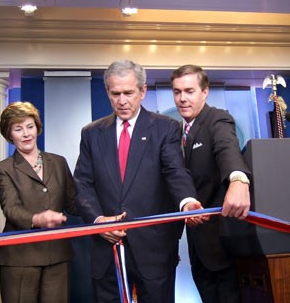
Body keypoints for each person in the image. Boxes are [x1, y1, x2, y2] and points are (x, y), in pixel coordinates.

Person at [74, 60, 205, 303]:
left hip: (154, 250)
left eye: (128, 93)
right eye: (115, 94)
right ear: (108, 93)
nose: (122, 100)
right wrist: (99, 221)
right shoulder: (91, 133)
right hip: (107, 251)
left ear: (143, 92)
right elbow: (82, 184)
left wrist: (187, 202)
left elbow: (175, 171)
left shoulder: (165, 128)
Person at [171, 64, 251, 303]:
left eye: (189, 91)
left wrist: (238, 178)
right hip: (197, 247)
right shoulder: (176, 132)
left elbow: (227, 149)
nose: (182, 99)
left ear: (205, 92)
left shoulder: (218, 119)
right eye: (177, 92)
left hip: (223, 247)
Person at [0, 102, 77, 303]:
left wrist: (102, 210)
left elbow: (74, 202)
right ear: (9, 134)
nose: (26, 134)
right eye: (18, 129)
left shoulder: (58, 162)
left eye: (30, 126)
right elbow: (11, 209)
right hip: (20, 258)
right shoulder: (3, 169)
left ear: (37, 127)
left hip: (57, 255)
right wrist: (38, 218)